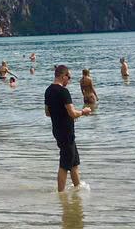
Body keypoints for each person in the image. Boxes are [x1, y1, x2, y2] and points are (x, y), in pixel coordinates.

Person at [44, 64, 92, 193]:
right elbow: (72, 113)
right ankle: (61, 194)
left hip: (58, 130)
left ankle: (78, 189)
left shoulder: (48, 90)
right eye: (69, 77)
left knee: (74, 162)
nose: (69, 80)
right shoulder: (63, 91)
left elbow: (47, 112)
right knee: (65, 164)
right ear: (63, 76)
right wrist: (83, 111)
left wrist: (64, 115)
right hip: (66, 132)